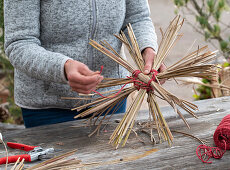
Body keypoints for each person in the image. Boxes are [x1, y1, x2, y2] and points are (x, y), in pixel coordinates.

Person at [4, 0, 165, 128]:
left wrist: (147, 48)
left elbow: (137, 17)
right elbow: (19, 43)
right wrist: (63, 67)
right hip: (48, 107)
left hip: (110, 99)